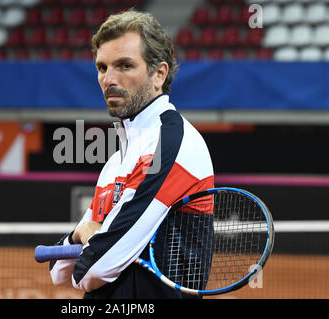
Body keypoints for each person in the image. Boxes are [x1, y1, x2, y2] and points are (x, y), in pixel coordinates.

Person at [49, 9, 214, 299]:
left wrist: (86, 241)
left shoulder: (172, 143)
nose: (109, 79)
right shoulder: (117, 160)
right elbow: (57, 270)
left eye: (124, 65)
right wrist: (80, 234)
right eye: (102, 68)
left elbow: (95, 268)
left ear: (158, 74)